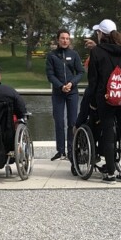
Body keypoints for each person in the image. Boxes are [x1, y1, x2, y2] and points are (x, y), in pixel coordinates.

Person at [86, 19, 121, 183]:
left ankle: (111, 173)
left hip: (106, 99)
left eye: (98, 32)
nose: (97, 35)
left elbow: (93, 80)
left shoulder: (97, 52)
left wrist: (92, 101)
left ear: (102, 34)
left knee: (108, 135)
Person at [45, 28, 84, 161]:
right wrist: (61, 86)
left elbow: (80, 72)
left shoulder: (74, 54)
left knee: (72, 122)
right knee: (59, 121)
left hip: (72, 92)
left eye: (67, 38)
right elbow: (50, 75)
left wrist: (71, 84)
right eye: (62, 38)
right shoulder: (52, 56)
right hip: (58, 92)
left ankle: (71, 150)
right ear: (58, 39)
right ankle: (60, 151)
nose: (65, 40)